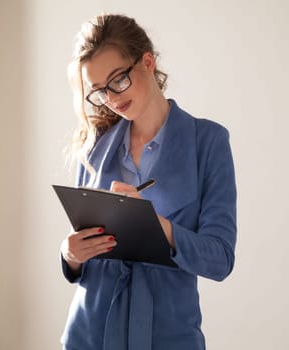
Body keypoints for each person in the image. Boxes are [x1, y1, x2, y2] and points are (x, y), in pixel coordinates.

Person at [59, 13, 237, 350]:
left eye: (118, 80)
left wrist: (156, 227)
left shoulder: (208, 142)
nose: (111, 97)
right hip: (90, 335)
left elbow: (220, 259)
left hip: (168, 338)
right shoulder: (95, 146)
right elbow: (79, 249)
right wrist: (70, 254)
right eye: (98, 91)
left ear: (147, 62)